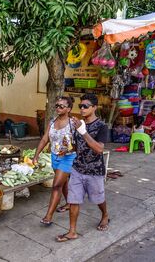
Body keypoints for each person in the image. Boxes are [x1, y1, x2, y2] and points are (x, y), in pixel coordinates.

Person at [56, 93, 109, 242]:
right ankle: (72, 231)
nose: (82, 109)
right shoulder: (77, 124)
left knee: (98, 199)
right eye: (80, 106)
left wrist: (83, 131)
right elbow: (74, 145)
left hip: (94, 170)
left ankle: (104, 215)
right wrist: (64, 149)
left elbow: (99, 149)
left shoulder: (101, 127)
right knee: (73, 200)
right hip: (77, 169)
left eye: (85, 106)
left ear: (94, 107)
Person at [32, 96, 77, 226]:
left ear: (68, 109)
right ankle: (69, 203)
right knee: (62, 183)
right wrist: (36, 155)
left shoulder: (73, 123)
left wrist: (69, 149)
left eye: (61, 106)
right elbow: (45, 139)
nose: (58, 108)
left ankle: (48, 216)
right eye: (57, 105)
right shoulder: (52, 122)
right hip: (54, 157)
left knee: (56, 185)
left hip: (68, 158)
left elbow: (80, 142)